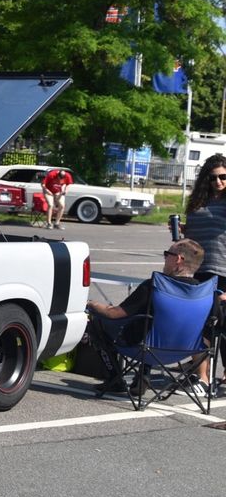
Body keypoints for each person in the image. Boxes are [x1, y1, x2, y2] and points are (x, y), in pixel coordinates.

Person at [86, 238, 212, 394]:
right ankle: (142, 377)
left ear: (178, 259)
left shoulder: (155, 286)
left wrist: (91, 304)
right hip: (184, 351)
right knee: (151, 319)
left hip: (146, 349)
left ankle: (114, 378)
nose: (165, 258)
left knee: (97, 320)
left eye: (167, 254)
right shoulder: (205, 293)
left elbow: (114, 314)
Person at [184, 153, 226, 393]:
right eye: (212, 178)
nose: (218, 182)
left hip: (223, 272)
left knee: (218, 325)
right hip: (197, 271)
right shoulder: (198, 202)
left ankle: (212, 378)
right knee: (199, 324)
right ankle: (202, 377)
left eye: (223, 177)